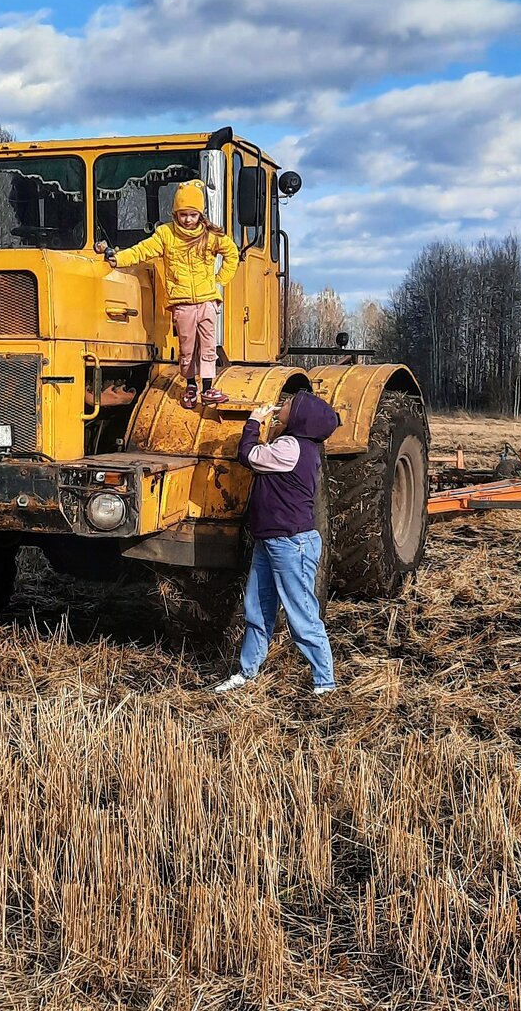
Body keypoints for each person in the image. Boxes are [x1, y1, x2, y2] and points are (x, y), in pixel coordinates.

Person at [214, 389, 340, 695]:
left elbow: (248, 455)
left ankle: (325, 683)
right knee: (257, 609)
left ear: (299, 418)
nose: (282, 404)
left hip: (290, 544)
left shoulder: (291, 447)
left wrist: (253, 422)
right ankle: (247, 672)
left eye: (289, 404)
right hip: (272, 540)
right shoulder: (301, 446)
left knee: (302, 615)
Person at [95, 179, 239, 407]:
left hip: (207, 301)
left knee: (208, 345)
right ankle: (191, 386)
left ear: (200, 215)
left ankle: (208, 388)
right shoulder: (166, 235)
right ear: (175, 214)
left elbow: (231, 253)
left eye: (193, 215)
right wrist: (119, 259)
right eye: (183, 214)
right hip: (182, 303)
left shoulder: (210, 236)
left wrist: (220, 280)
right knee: (187, 347)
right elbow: (142, 250)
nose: (188, 219)